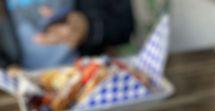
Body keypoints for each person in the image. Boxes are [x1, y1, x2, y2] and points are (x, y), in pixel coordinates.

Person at [0, 0, 134, 70]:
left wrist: (89, 27)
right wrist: (7, 68)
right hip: (16, 90)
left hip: (85, 73)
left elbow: (125, 25)